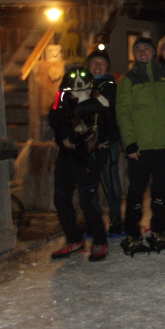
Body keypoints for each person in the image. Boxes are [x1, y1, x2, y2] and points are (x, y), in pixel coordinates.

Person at [116, 36, 165, 254]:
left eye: (147, 48)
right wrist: (130, 143)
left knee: (162, 192)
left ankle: (159, 232)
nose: (143, 52)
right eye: (138, 49)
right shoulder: (128, 79)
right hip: (140, 147)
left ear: (155, 52)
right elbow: (123, 113)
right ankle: (133, 235)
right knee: (136, 193)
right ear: (134, 54)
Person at [49, 65, 114, 262]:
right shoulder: (61, 97)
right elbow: (54, 119)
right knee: (61, 199)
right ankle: (74, 240)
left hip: (89, 155)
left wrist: (102, 139)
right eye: (74, 77)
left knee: (87, 200)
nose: (78, 81)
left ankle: (99, 240)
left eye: (82, 77)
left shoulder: (99, 98)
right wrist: (63, 138)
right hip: (67, 154)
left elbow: (107, 122)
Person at [85, 46, 123, 236]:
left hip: (107, 140)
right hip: (87, 143)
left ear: (107, 67)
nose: (97, 67)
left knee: (111, 179)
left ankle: (116, 217)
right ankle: (93, 220)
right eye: (94, 63)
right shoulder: (81, 84)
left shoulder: (111, 86)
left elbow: (107, 108)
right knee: (89, 183)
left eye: (101, 64)